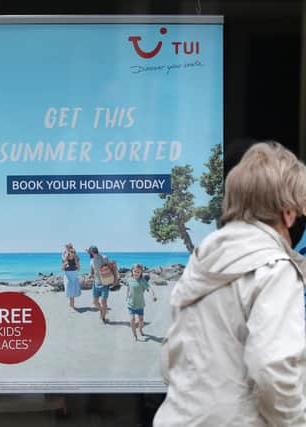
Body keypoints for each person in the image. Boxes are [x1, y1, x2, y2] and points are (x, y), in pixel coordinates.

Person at [154, 142, 306, 426]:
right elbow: (273, 368)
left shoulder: (205, 258)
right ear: (287, 212)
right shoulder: (274, 268)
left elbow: (169, 360)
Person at [125, 263, 156, 340]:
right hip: (131, 304)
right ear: (132, 271)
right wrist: (127, 295)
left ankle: (141, 330)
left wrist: (153, 295)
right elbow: (128, 287)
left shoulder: (143, 281)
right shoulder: (129, 279)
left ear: (141, 273)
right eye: (135, 271)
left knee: (141, 320)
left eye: (138, 272)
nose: (136, 273)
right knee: (132, 319)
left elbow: (149, 289)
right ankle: (134, 335)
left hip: (140, 305)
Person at [88, 246, 115, 323]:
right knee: (95, 302)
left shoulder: (104, 257)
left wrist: (115, 280)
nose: (94, 251)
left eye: (94, 250)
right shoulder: (91, 261)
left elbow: (111, 268)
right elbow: (92, 272)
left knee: (104, 302)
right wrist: (90, 275)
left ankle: (103, 317)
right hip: (96, 284)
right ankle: (103, 310)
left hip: (105, 283)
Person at [62, 244, 81, 309]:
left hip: (74, 273)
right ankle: (71, 305)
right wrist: (65, 262)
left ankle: (72, 305)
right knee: (69, 288)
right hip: (67, 274)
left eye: (72, 252)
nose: (71, 254)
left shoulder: (76, 258)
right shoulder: (65, 257)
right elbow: (62, 268)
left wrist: (75, 260)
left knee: (72, 289)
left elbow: (78, 268)